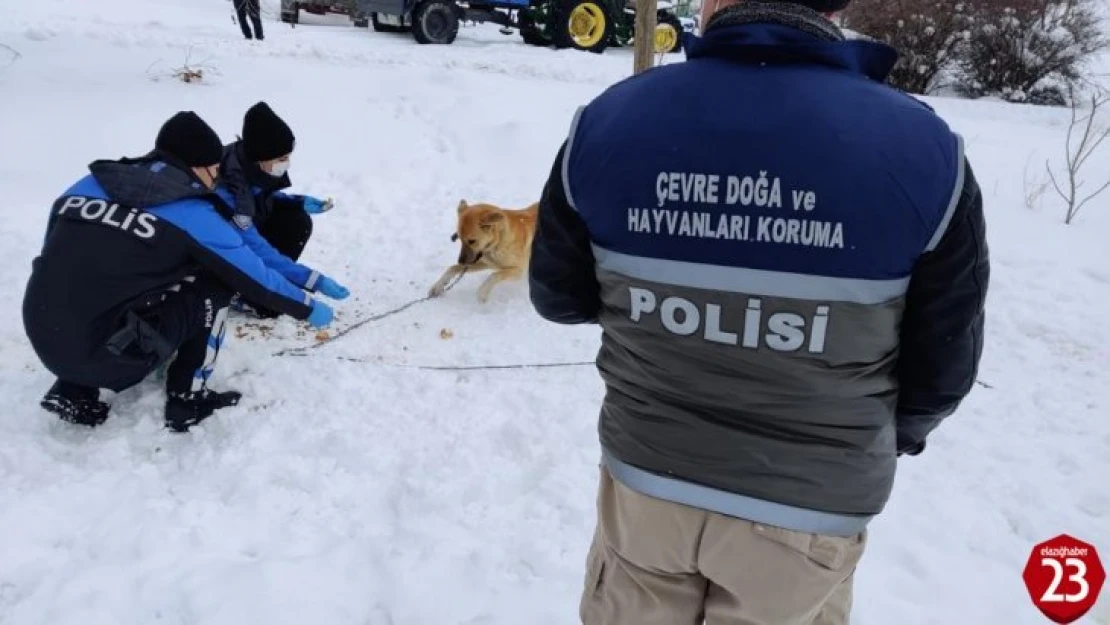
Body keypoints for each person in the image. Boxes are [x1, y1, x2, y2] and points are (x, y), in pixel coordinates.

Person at [527, 0, 990, 623]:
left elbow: (559, 298)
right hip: (810, 511)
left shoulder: (608, 121)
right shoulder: (925, 151)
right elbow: (943, 371)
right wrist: (877, 438)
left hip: (648, 484)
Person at [22, 111, 344, 432]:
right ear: (195, 168)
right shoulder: (192, 213)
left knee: (97, 275)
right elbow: (254, 276)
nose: (217, 177)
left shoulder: (86, 185)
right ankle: (187, 398)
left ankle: (72, 388)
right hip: (108, 358)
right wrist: (307, 306)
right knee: (216, 281)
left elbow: (55, 259)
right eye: (214, 169)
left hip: (42, 333)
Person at [220, 100, 335, 318]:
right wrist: (312, 280)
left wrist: (297, 201)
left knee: (296, 220)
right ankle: (251, 294)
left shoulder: (249, 164)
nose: (286, 164)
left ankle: (265, 291)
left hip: (246, 231)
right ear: (261, 157)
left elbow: (261, 196)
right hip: (224, 248)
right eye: (281, 158)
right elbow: (253, 246)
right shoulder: (229, 187)